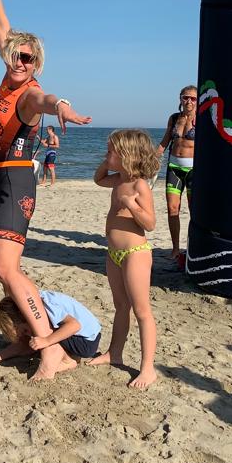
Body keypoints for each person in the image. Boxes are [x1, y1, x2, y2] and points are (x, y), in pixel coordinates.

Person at [0, 0, 92, 380]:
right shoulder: (8, 77)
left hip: (14, 180)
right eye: (14, 55)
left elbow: (46, 100)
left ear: (36, 64)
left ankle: (51, 348)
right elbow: (3, 31)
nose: (19, 61)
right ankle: (26, 338)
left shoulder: (29, 93)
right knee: (2, 271)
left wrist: (61, 105)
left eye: (27, 58)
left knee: (6, 267)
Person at [91, 129, 160, 389]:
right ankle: (114, 353)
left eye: (110, 150)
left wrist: (132, 205)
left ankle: (147, 368)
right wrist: (107, 162)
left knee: (142, 311)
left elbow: (150, 224)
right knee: (121, 306)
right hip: (114, 254)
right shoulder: (118, 179)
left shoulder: (139, 185)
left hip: (135, 254)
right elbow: (98, 179)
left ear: (127, 155)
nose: (106, 153)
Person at [0, 290, 102, 367]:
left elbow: (74, 325)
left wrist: (47, 340)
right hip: (87, 334)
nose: (28, 335)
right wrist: (3, 355)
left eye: (25, 331)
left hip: (87, 342)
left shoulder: (46, 307)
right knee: (39, 334)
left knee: (47, 330)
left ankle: (69, 360)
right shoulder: (34, 300)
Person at [156, 85, 197, 264]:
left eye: (193, 98)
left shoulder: (202, 119)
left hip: (194, 170)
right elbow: (165, 142)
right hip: (174, 168)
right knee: (173, 209)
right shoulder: (174, 118)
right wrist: (153, 158)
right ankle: (175, 248)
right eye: (185, 97)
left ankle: (193, 247)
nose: (189, 101)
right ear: (180, 98)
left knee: (194, 211)